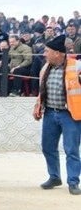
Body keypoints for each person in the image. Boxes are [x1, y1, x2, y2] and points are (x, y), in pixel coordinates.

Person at [32, 35, 81, 195]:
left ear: (58, 53)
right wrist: (38, 106)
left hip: (70, 114)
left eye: (47, 51)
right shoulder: (45, 68)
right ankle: (54, 177)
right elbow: (42, 91)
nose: (44, 54)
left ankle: (73, 182)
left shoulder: (77, 66)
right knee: (48, 147)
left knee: (71, 149)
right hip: (50, 113)